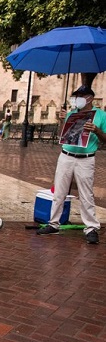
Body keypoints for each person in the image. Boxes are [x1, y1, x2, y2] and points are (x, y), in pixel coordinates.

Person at [36, 85, 105, 245]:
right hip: (66, 156)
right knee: (59, 191)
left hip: (86, 158)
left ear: (90, 98)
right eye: (76, 95)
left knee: (86, 193)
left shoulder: (101, 116)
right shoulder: (72, 114)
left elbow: (105, 138)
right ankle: (53, 223)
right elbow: (63, 136)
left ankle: (91, 227)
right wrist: (62, 121)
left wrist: (96, 130)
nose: (78, 98)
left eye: (81, 95)